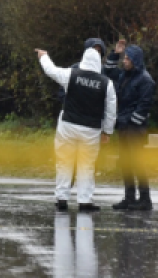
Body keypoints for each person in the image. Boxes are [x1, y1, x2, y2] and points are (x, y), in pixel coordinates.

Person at [36, 47, 116, 213]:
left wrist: (44, 56)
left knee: (64, 162)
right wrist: (107, 132)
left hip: (68, 126)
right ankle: (85, 201)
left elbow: (51, 71)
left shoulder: (71, 74)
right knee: (86, 165)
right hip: (91, 130)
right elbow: (111, 109)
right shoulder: (106, 83)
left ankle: (62, 199)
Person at [106, 41, 155, 211]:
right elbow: (109, 71)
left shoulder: (145, 80)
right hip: (124, 125)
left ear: (135, 60)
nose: (124, 61)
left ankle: (145, 198)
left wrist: (131, 122)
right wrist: (115, 53)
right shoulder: (125, 76)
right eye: (124, 58)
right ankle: (129, 197)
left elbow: (145, 104)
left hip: (135, 128)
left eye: (127, 58)